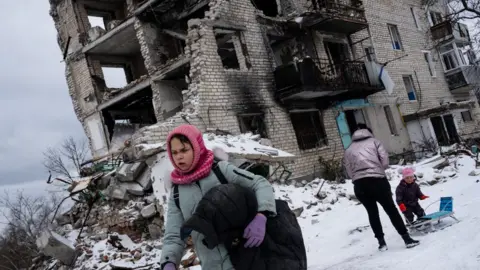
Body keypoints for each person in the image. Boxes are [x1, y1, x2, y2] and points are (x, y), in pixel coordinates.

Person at [160, 124, 277, 270]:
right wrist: (168, 262)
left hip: (245, 260)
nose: (179, 157)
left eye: (184, 150)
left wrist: (262, 215)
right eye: (174, 152)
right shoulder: (177, 192)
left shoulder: (220, 170)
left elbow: (260, 183)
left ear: (197, 147)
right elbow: (173, 234)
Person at [343, 124, 419, 251]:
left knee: (372, 213)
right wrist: (377, 170)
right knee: (391, 210)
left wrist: (358, 177)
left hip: (360, 185)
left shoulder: (349, 149)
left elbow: (349, 170)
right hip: (377, 182)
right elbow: (384, 162)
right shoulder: (375, 142)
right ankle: (407, 239)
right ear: (368, 131)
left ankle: (381, 243)